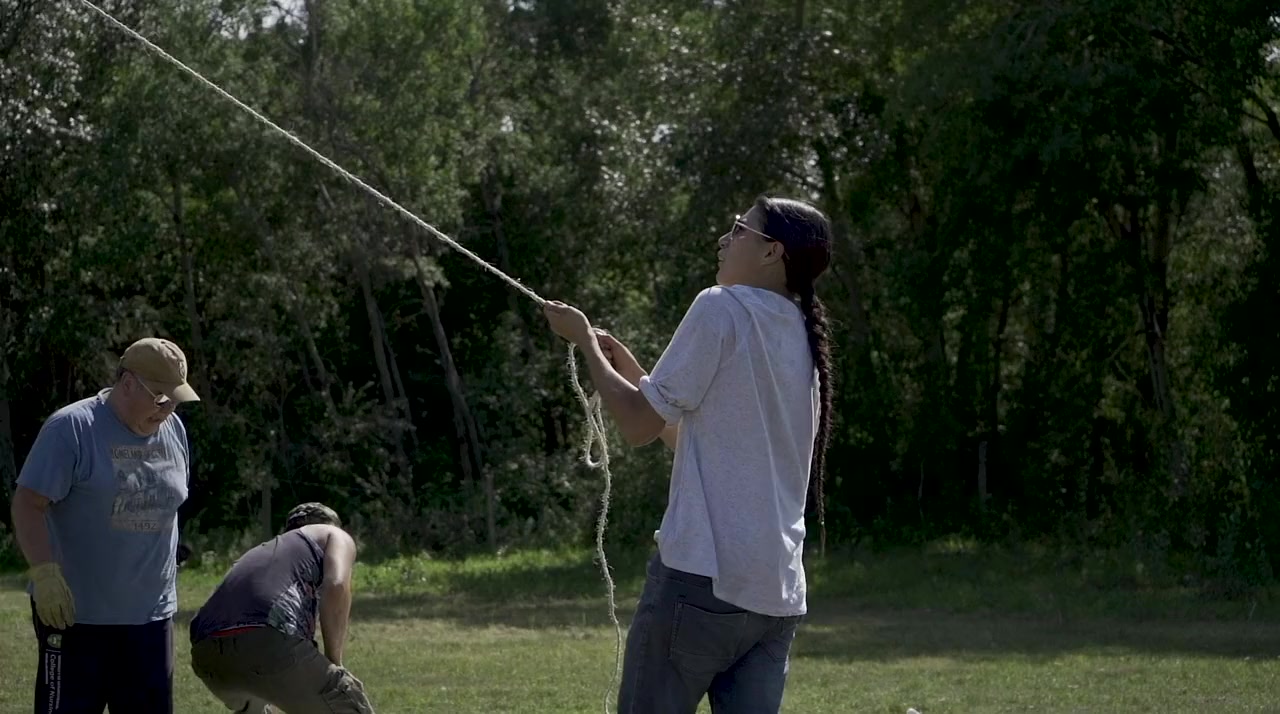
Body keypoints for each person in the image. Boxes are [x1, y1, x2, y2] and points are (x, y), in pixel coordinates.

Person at [543, 195, 836, 713]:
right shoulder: (802, 333)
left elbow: (637, 425)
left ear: (772, 252)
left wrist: (585, 342)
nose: (724, 239)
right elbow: (690, 437)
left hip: (699, 583)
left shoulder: (720, 306)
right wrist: (634, 372)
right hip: (776, 597)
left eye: (739, 229)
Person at [11, 337, 200, 714]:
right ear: (128, 383)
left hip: (150, 620)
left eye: (175, 399)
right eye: (160, 397)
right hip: (76, 619)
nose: (168, 408)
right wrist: (45, 575)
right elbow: (28, 504)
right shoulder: (72, 428)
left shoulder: (173, 430)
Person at [188, 502, 374, 714]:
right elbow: (337, 585)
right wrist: (333, 663)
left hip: (207, 655)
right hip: (265, 642)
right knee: (347, 703)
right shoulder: (333, 535)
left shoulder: (264, 552)